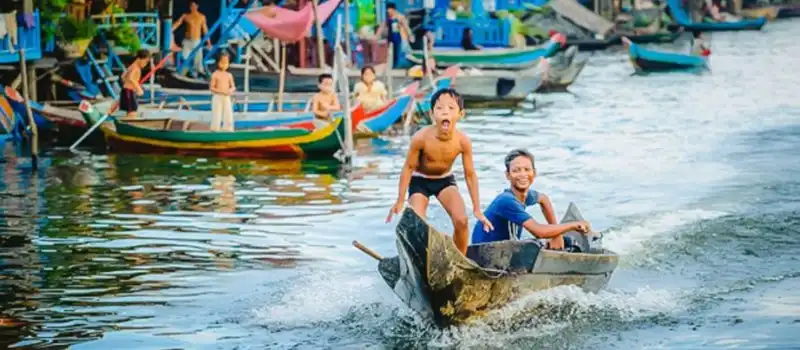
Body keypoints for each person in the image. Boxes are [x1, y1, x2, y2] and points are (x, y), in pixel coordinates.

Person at [386, 88, 493, 255]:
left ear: (460, 114)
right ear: (432, 114)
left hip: (444, 181)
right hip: (419, 181)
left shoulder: (463, 141)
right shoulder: (421, 138)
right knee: (417, 224)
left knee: (462, 221)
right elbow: (408, 168)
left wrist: (477, 208)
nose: (445, 112)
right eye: (440, 108)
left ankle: (460, 259)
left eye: (451, 108)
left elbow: (470, 174)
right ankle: (419, 258)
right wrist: (400, 200)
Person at [471, 149, 592, 250]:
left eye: (527, 170)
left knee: (564, 241)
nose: (522, 174)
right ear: (507, 175)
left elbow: (544, 199)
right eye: (516, 170)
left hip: (506, 248)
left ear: (534, 173)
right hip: (486, 254)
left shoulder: (526, 195)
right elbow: (539, 231)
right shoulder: (506, 201)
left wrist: (557, 235)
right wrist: (573, 225)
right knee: (544, 243)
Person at [172, 0, 211, 78]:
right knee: (184, 57)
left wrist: (208, 42)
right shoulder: (186, 16)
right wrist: (170, 30)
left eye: (194, 6)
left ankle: (199, 74)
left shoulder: (201, 17)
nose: (192, 8)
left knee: (198, 60)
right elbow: (178, 23)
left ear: (197, 6)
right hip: (187, 41)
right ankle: (183, 73)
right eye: (191, 6)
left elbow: (205, 29)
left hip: (197, 41)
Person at [376, 2, 411, 68]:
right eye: (387, 10)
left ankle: (397, 66)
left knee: (398, 53)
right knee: (390, 53)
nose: (388, 12)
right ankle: (392, 66)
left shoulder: (400, 17)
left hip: (398, 38)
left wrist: (410, 35)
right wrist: (377, 36)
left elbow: (406, 27)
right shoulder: (388, 18)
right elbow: (382, 27)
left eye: (389, 10)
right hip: (390, 38)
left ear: (393, 9)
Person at [119, 49, 151, 119]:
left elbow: (123, 76)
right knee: (132, 112)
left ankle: (126, 125)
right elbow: (131, 78)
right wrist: (139, 89)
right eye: (145, 62)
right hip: (129, 91)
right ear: (140, 59)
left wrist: (129, 86)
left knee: (131, 111)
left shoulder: (132, 66)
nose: (145, 65)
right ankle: (126, 127)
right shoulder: (136, 68)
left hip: (127, 91)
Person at [209, 53, 236, 131]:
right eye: (222, 62)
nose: (224, 64)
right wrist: (221, 91)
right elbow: (212, 87)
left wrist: (230, 91)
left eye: (226, 62)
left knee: (228, 113)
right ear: (218, 63)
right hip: (218, 97)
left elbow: (233, 86)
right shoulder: (215, 74)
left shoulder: (229, 75)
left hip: (226, 96)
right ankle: (215, 129)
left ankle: (228, 129)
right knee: (217, 114)